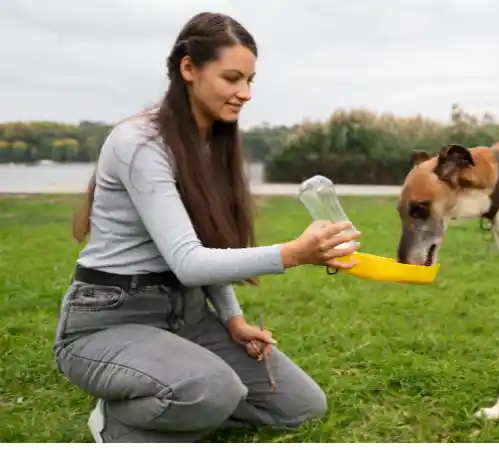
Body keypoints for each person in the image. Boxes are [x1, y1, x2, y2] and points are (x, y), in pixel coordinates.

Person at [51, 11, 361, 443]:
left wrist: (232, 319)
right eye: (232, 78)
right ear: (189, 69)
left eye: (251, 81)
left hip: (188, 315)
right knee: (215, 389)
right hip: (109, 320)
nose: (245, 93)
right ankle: (117, 418)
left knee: (300, 408)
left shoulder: (212, 143)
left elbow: (206, 244)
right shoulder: (138, 144)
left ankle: (169, 387)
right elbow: (189, 262)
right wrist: (293, 253)